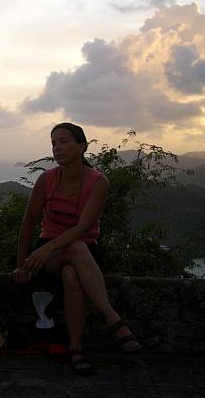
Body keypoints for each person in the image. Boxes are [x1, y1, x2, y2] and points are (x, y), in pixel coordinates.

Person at [13, 122, 141, 375]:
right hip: (49, 253)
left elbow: (83, 228)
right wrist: (21, 263)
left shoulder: (98, 182)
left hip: (82, 251)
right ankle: (112, 319)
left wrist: (45, 250)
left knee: (73, 269)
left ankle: (75, 349)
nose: (57, 147)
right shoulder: (46, 180)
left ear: (82, 147)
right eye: (53, 143)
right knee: (74, 250)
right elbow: (29, 222)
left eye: (63, 141)